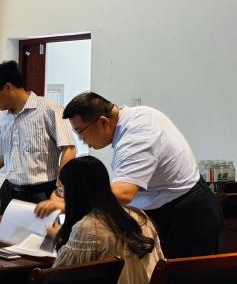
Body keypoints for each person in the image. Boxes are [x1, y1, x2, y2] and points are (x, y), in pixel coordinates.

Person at [56, 92, 222, 258]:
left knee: (176, 273)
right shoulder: (139, 114)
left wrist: (74, 200)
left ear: (103, 122)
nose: (81, 139)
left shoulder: (136, 137)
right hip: (170, 207)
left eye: (80, 131)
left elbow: (124, 193)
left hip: (186, 216)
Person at [0, 60, 75, 210]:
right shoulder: (4, 119)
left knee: (44, 227)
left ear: (8, 87)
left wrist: (60, 187)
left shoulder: (49, 109)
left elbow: (69, 149)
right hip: (9, 192)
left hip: (41, 193)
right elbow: (2, 157)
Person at [47, 156, 163, 284]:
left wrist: (60, 239)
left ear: (73, 192)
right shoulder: (139, 216)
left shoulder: (88, 227)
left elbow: (58, 278)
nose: (61, 195)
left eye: (62, 189)